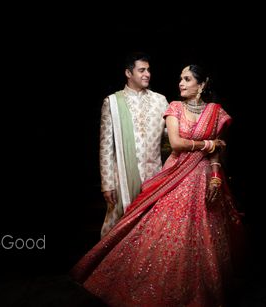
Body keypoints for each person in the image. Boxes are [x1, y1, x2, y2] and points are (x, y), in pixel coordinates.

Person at [71, 64, 243, 306]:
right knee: (165, 232)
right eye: (180, 78)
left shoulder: (216, 112)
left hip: (203, 177)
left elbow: (218, 152)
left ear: (201, 84)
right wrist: (208, 144)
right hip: (175, 174)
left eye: (186, 79)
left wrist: (215, 174)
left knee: (205, 236)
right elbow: (176, 143)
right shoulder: (174, 107)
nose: (180, 83)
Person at [99, 51, 169, 238]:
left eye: (148, 70)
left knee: (150, 230)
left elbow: (171, 136)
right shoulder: (112, 102)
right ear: (129, 73)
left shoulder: (160, 100)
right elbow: (106, 146)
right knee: (117, 230)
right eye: (142, 70)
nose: (147, 74)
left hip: (154, 177)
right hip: (122, 177)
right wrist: (107, 183)